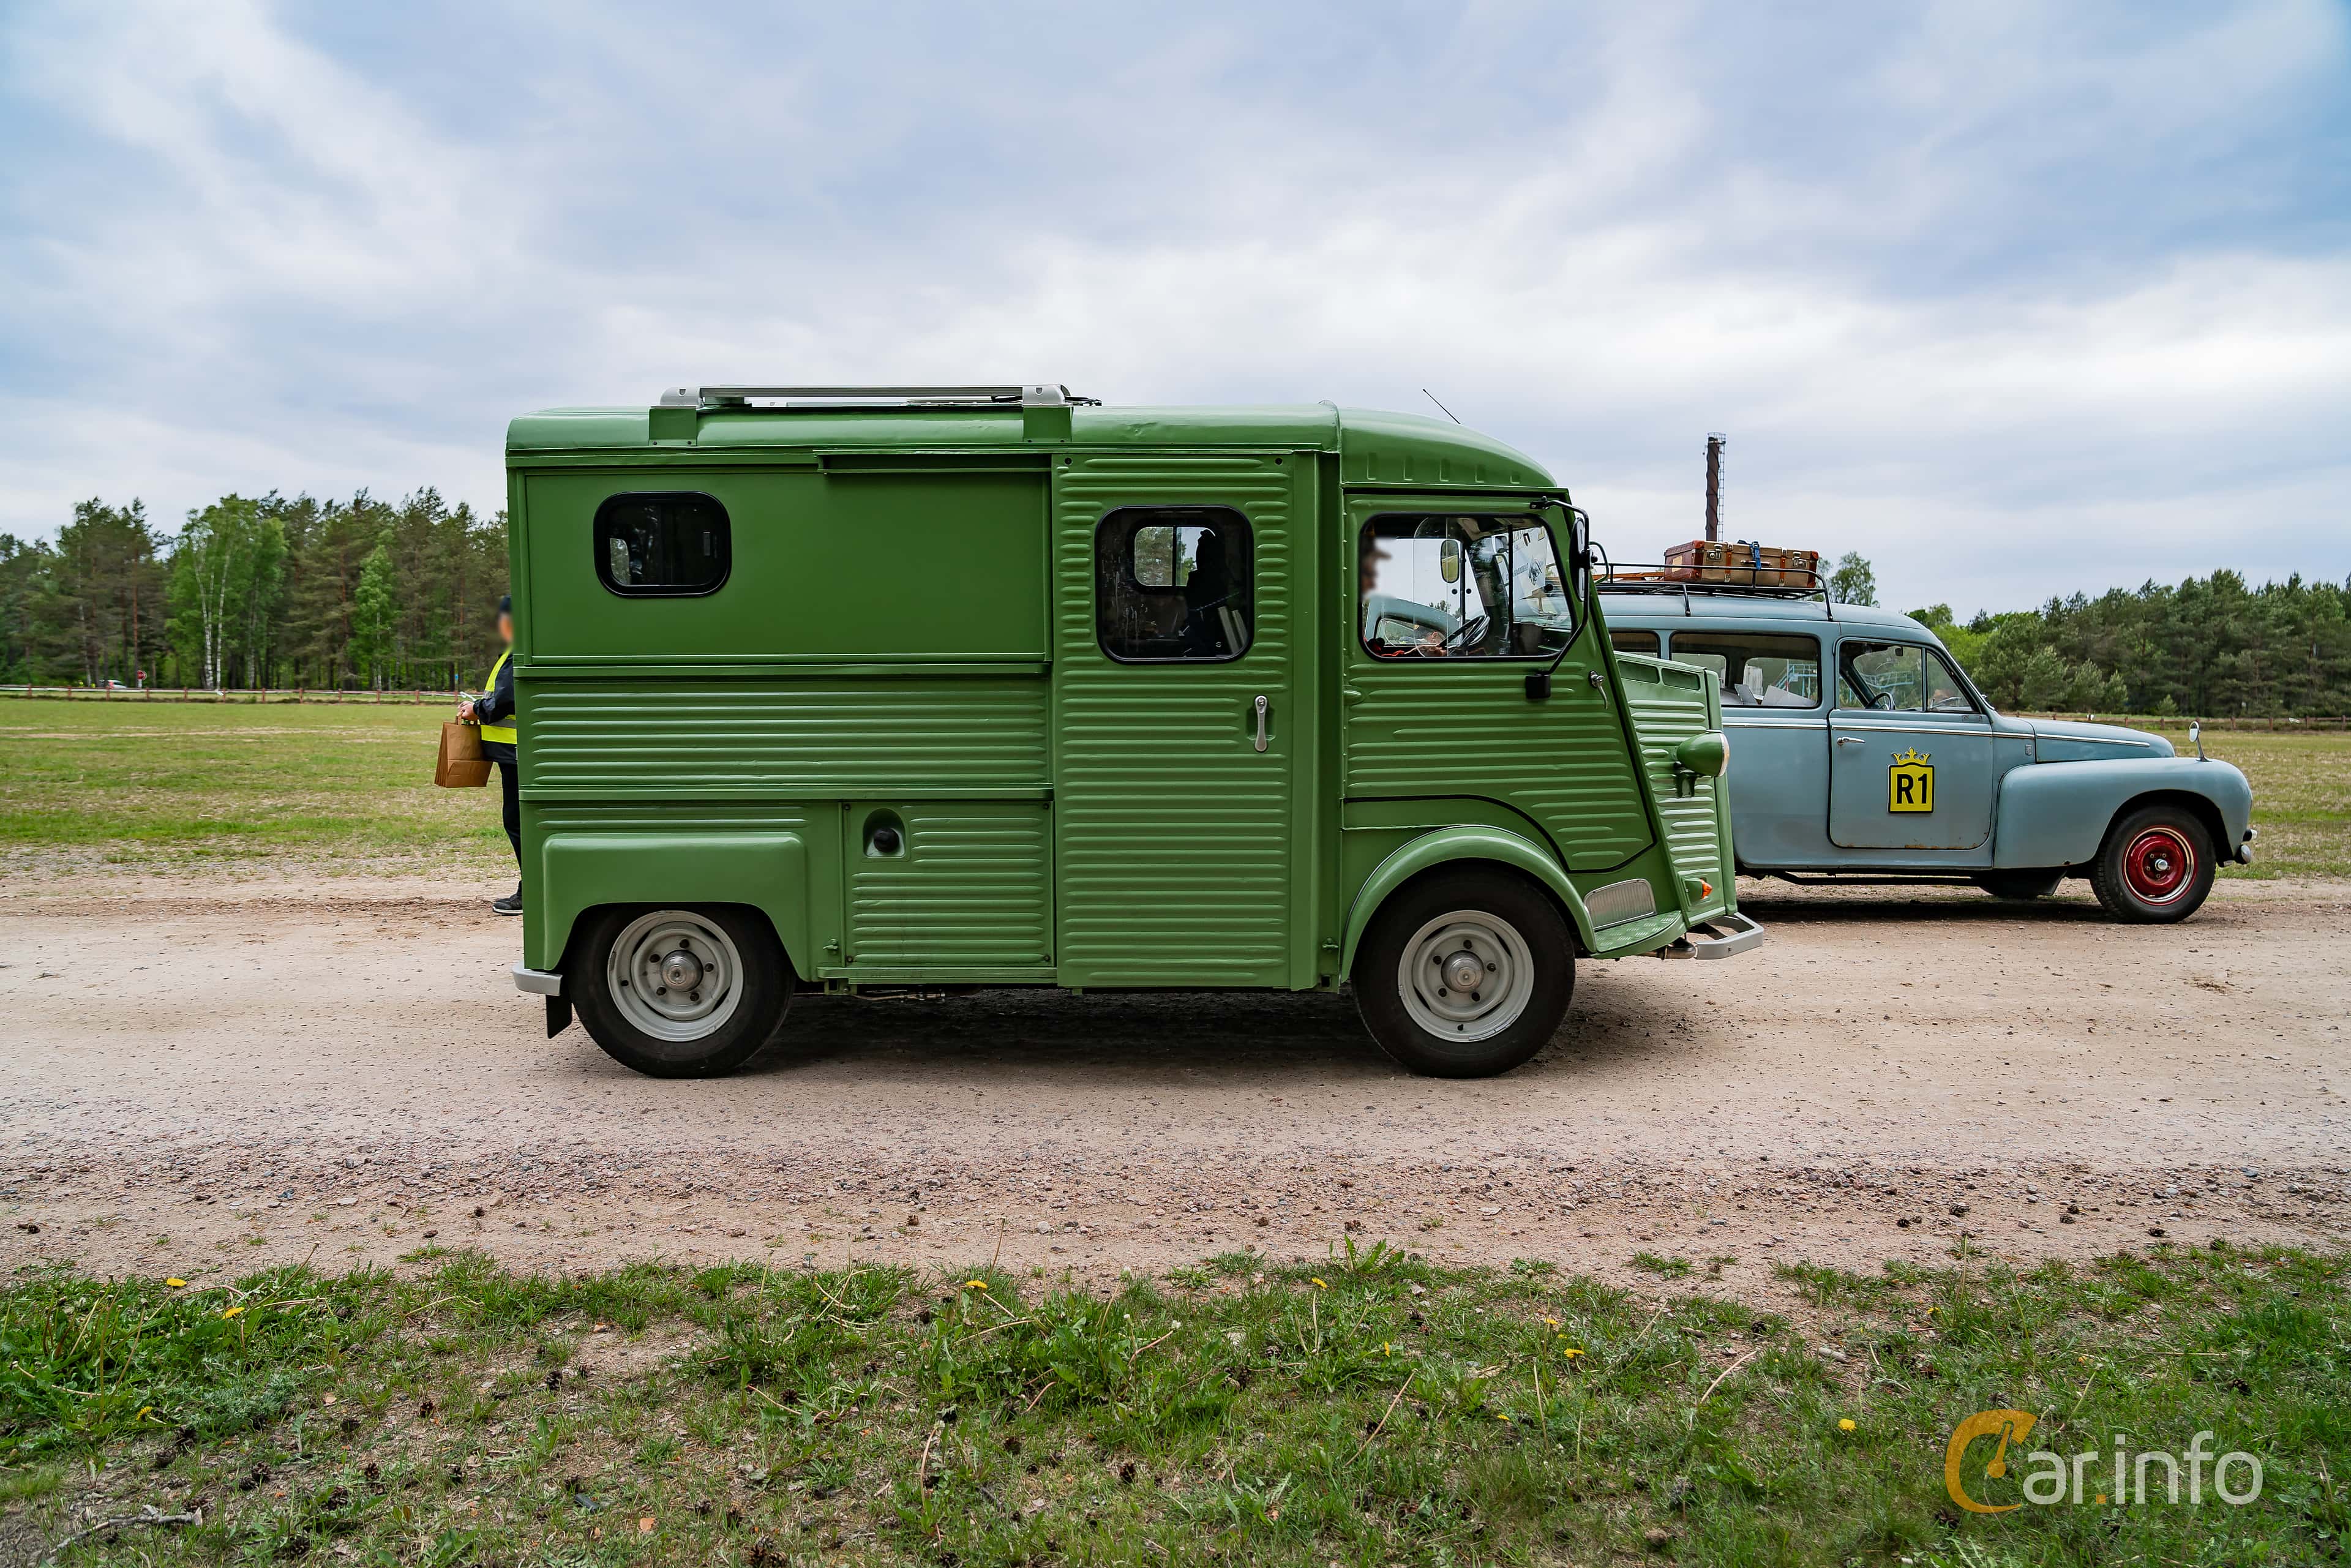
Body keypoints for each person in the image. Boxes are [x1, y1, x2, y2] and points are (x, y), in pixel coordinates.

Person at [457, 595, 522, 915]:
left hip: (517, 753)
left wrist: (477, 709)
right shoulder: (515, 650)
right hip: (516, 752)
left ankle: (533, 890)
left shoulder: (518, 650)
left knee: (518, 821)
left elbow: (507, 699)